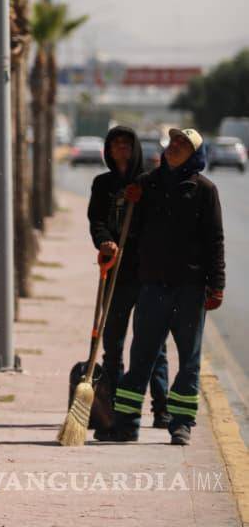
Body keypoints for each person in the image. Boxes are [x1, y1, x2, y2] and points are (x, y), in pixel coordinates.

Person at [99, 127, 225, 446]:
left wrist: (217, 285)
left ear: (195, 155)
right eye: (174, 141)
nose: (175, 146)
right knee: (142, 355)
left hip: (190, 287)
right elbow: (130, 230)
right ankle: (126, 423)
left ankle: (180, 423)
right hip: (152, 284)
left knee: (189, 359)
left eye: (184, 144)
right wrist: (129, 205)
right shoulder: (146, 184)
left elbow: (215, 241)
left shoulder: (205, 190)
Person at [87, 125, 169, 431]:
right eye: (115, 145)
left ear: (135, 149)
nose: (121, 149)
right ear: (108, 150)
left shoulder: (149, 182)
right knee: (113, 343)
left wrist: (145, 198)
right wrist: (105, 242)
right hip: (116, 273)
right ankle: (116, 409)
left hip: (147, 274)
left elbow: (161, 222)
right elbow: (96, 220)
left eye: (126, 144)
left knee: (154, 346)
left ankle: (162, 410)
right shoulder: (103, 184)